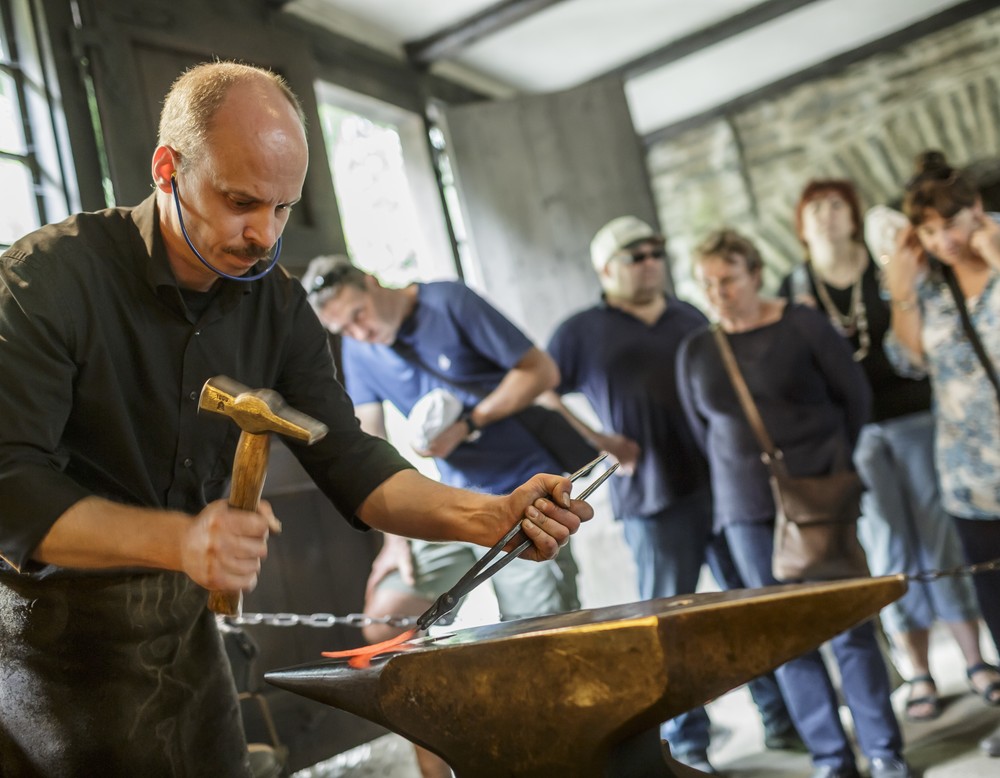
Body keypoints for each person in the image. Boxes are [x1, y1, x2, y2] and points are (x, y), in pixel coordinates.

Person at [0, 62, 592, 776]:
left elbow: (349, 457)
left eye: (282, 208)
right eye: (241, 202)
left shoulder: (274, 305)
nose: (263, 235)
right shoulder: (49, 279)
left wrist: (485, 516)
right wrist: (178, 539)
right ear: (167, 168)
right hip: (50, 650)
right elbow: (10, 484)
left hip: (186, 639)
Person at [304, 255, 583, 776]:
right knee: (385, 617)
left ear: (371, 282)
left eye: (360, 315)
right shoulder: (361, 347)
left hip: (520, 489)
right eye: (343, 329)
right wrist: (392, 537)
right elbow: (370, 440)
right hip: (449, 500)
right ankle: (441, 768)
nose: (359, 332)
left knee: (539, 641)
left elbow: (541, 371)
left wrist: (474, 420)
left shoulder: (447, 301)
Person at [545, 215, 801, 773]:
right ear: (607, 268)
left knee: (747, 609)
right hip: (655, 503)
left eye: (656, 251)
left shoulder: (689, 316)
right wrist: (600, 441)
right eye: (637, 255)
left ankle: (782, 719)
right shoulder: (582, 330)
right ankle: (688, 745)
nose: (651, 261)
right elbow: (542, 391)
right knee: (670, 628)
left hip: (724, 489)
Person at [677, 228, 911, 778]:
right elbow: (702, 429)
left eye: (728, 280)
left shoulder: (801, 323)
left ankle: (883, 751)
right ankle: (832, 759)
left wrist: (828, 463)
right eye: (707, 284)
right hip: (747, 512)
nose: (718, 293)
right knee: (782, 639)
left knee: (847, 625)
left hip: (818, 495)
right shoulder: (697, 349)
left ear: (755, 273)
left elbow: (853, 397)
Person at [779, 179, 991, 723]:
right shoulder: (796, 288)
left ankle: (975, 660)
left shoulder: (892, 263)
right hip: (853, 436)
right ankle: (917, 669)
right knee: (889, 547)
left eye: (835, 205)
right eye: (814, 208)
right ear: (801, 228)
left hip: (919, 418)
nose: (826, 216)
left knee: (942, 540)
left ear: (854, 215)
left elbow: (917, 349)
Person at [882, 149, 1000, 757]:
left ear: (978, 209)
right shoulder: (925, 282)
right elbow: (909, 361)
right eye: (929, 230)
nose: (945, 239)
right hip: (969, 473)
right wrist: (901, 292)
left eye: (952, 223)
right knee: (995, 596)